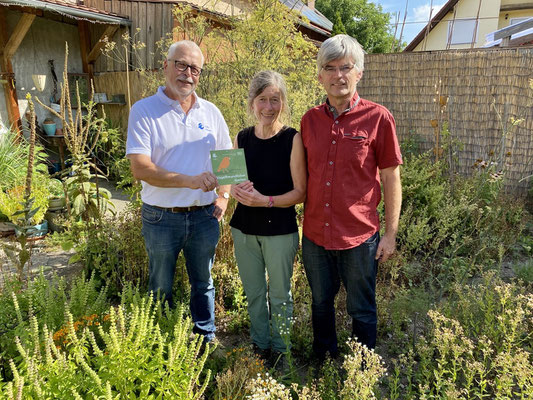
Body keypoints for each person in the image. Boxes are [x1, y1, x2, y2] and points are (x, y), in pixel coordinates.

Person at [300, 34, 402, 359]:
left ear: (358, 73)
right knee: (319, 303)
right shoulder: (309, 121)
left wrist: (390, 234)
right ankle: (324, 361)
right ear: (320, 75)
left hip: (359, 238)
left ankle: (362, 368)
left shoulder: (378, 118)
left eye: (346, 67)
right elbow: (297, 174)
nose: (338, 75)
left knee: (361, 308)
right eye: (329, 68)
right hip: (315, 235)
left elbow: (390, 177)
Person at [126, 40, 232, 343]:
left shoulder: (210, 112)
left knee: (204, 283)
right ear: (166, 66)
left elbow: (228, 158)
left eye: (194, 69)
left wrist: (223, 196)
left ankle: (205, 338)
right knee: (160, 284)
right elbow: (141, 169)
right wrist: (190, 180)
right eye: (181, 65)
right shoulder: (144, 110)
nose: (187, 73)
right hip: (161, 218)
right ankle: (161, 342)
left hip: (204, 217)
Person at [229, 70, 306, 362]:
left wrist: (266, 201)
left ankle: (282, 350)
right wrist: (235, 190)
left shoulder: (292, 138)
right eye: (262, 99)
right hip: (244, 229)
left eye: (275, 100)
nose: (268, 107)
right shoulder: (241, 137)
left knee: (281, 296)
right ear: (252, 102)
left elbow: (301, 193)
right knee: (255, 293)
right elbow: (234, 182)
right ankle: (261, 346)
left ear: (283, 103)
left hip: (280, 231)